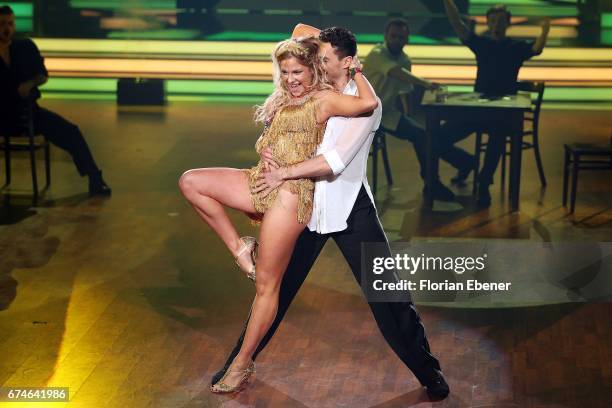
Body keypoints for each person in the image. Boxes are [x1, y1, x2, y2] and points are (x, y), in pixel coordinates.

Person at [210, 24, 450, 400]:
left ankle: (430, 374)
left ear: (348, 63)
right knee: (274, 290)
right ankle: (237, 364)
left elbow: (333, 162)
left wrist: (283, 172)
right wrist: (323, 40)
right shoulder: (316, 90)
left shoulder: (364, 103)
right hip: (303, 206)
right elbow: (299, 32)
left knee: (389, 296)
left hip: (350, 208)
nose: (314, 62)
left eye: (322, 59)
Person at [179, 36, 378, 393]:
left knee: (267, 285)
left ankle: (242, 364)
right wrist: (299, 46)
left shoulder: (324, 99)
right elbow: (300, 31)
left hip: (290, 193)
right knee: (192, 182)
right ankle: (242, 249)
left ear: (313, 68)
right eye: (284, 72)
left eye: (298, 71)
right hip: (261, 178)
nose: (291, 79)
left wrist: (353, 66)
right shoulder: (284, 98)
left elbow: (368, 103)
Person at [442, 0, 550, 206]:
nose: (497, 24)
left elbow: (537, 49)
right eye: (493, 20)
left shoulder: (515, 47)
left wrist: (545, 29)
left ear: (508, 23)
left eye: (501, 21)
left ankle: (483, 183)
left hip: (503, 113)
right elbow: (458, 24)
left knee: (498, 135)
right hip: (478, 109)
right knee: (438, 137)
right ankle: (467, 162)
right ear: (488, 23)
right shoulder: (482, 43)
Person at [0, 5, 111, 196]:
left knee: (70, 132)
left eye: (10, 23)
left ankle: (94, 177)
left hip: (28, 113)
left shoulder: (24, 47)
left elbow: (42, 75)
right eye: (2, 24)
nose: (7, 28)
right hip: (1, 115)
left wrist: (29, 84)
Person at [363, 18, 473, 202]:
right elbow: (395, 73)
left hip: (387, 113)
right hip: (364, 115)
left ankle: (439, 179)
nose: (396, 40)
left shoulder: (405, 60)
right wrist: (426, 84)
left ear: (407, 40)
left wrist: (408, 115)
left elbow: (404, 90)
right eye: (393, 36)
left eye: (401, 37)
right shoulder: (377, 53)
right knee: (423, 136)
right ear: (386, 36)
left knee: (424, 135)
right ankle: (458, 166)